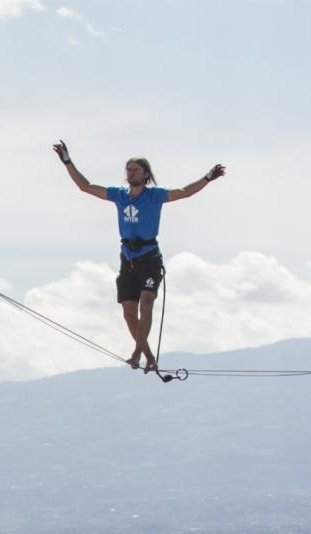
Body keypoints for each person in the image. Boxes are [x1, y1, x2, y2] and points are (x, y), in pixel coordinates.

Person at [53, 145, 225, 372]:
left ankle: (137, 352)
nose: (131, 173)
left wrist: (207, 178)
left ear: (146, 174)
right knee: (128, 313)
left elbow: (185, 192)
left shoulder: (155, 196)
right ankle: (148, 355)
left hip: (149, 258)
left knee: (146, 303)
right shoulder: (119, 195)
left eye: (135, 169)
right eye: (128, 169)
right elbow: (85, 187)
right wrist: (67, 161)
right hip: (128, 259)